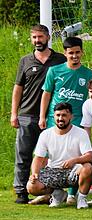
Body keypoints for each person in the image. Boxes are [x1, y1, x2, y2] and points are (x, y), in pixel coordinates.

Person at [11, 24, 66, 204]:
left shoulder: (59, 59)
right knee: (24, 154)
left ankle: (50, 190)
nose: (37, 41)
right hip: (27, 114)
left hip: (53, 116)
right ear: (31, 39)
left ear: (48, 37)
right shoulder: (25, 61)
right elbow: (18, 88)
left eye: (40, 37)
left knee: (51, 156)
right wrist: (14, 113)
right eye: (34, 37)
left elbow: (73, 71)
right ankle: (21, 191)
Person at [26, 103, 92, 209]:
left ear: (71, 116)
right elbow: (38, 159)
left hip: (73, 171)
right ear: (54, 116)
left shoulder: (81, 133)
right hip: (53, 170)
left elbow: (90, 156)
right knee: (31, 187)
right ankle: (58, 194)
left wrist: (74, 160)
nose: (60, 118)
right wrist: (34, 174)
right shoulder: (45, 134)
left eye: (64, 115)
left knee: (88, 167)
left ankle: (81, 199)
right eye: (58, 115)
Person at [39, 36, 92, 129]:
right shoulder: (54, 71)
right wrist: (42, 117)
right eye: (71, 53)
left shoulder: (89, 74)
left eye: (77, 52)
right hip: (55, 121)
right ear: (65, 53)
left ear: (82, 52)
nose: (74, 56)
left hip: (76, 121)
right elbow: (46, 94)